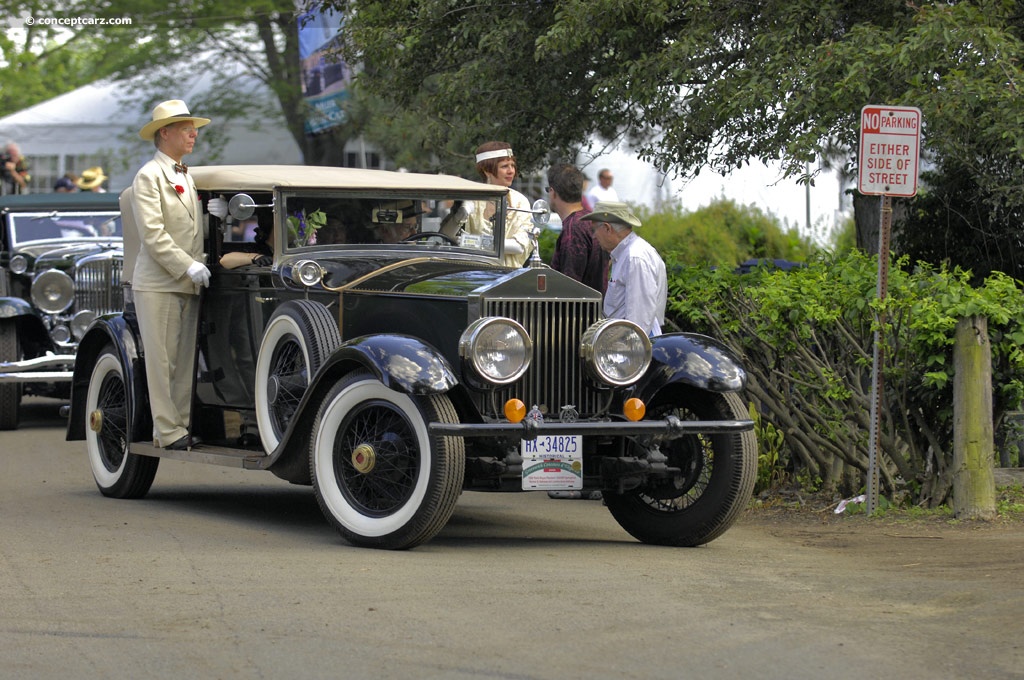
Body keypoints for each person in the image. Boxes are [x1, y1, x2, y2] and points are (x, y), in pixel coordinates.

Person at [130, 99, 212, 451]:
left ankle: (178, 426)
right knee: (162, 360)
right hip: (160, 283)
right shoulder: (149, 175)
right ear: (165, 133)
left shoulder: (184, 173)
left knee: (182, 361)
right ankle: (167, 430)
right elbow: (154, 235)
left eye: (192, 128)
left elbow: (188, 229)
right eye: (185, 128)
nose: (193, 134)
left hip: (186, 281)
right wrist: (188, 265)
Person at [581, 201, 667, 337]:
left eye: (594, 230)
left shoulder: (634, 257)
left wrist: (627, 353)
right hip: (626, 344)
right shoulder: (627, 254)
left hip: (633, 348)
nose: (594, 236)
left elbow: (639, 323)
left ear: (607, 228)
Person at [445, 142, 533, 267]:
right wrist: (462, 213)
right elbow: (446, 236)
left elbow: (519, 246)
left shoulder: (520, 201)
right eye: (504, 166)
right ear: (487, 170)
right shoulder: (473, 199)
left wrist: (472, 242)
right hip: (475, 275)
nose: (511, 171)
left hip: (510, 276)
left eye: (512, 165)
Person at [547, 163, 608, 294]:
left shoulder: (573, 229)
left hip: (579, 313)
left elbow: (569, 287)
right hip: (598, 310)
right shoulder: (592, 221)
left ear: (552, 192)